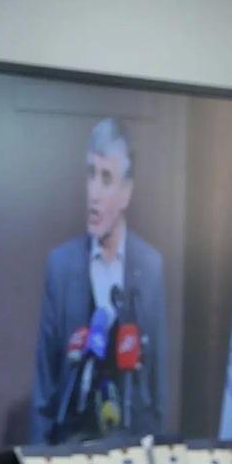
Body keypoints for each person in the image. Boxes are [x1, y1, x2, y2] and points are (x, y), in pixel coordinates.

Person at [28, 118, 169, 444]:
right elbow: (44, 390)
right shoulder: (61, 266)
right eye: (90, 174)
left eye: (106, 179)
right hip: (71, 453)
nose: (93, 193)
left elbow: (157, 391)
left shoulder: (149, 267)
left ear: (126, 193)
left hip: (131, 455)